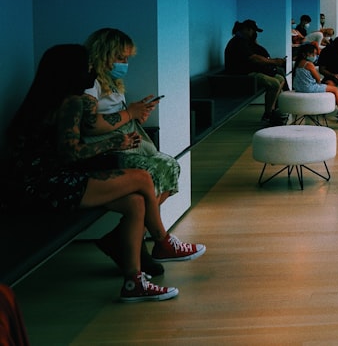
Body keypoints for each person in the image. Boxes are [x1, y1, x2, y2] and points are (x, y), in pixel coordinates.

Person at [1, 44, 204, 302]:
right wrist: (114, 143)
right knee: (142, 178)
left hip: (31, 185)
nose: (92, 70)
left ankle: (133, 282)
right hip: (44, 186)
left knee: (136, 202)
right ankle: (163, 243)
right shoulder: (72, 103)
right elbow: (70, 153)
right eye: (87, 66)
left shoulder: (41, 100)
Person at [82, 28, 181, 276]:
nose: (125, 63)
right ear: (103, 53)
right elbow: (90, 124)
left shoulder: (112, 82)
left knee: (170, 166)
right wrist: (130, 114)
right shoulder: (89, 82)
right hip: (107, 146)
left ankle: (123, 238)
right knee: (149, 173)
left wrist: (139, 114)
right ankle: (155, 240)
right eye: (120, 58)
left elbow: (119, 116)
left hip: (125, 136)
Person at [224, 19, 288, 125]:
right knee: (274, 83)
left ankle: (271, 110)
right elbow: (254, 58)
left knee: (280, 79)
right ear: (246, 29)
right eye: (253, 31)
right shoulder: (238, 42)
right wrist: (274, 61)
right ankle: (268, 115)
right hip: (241, 75)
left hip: (248, 72)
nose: (254, 34)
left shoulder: (244, 41)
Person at [292, 44, 338, 122]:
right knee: (334, 89)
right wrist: (319, 82)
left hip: (299, 87)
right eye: (313, 54)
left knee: (329, 85)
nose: (314, 56)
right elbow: (317, 78)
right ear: (305, 54)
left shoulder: (298, 63)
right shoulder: (309, 64)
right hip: (309, 87)